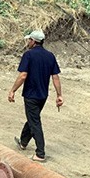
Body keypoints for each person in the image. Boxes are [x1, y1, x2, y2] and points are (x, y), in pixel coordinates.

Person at [8, 30, 63, 162]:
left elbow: (23, 75)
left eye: (29, 40)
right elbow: (55, 77)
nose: (28, 42)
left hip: (31, 94)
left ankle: (40, 153)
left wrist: (12, 90)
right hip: (43, 95)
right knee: (33, 117)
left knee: (34, 121)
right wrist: (59, 95)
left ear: (33, 41)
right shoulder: (50, 56)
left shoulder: (28, 55)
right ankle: (23, 142)